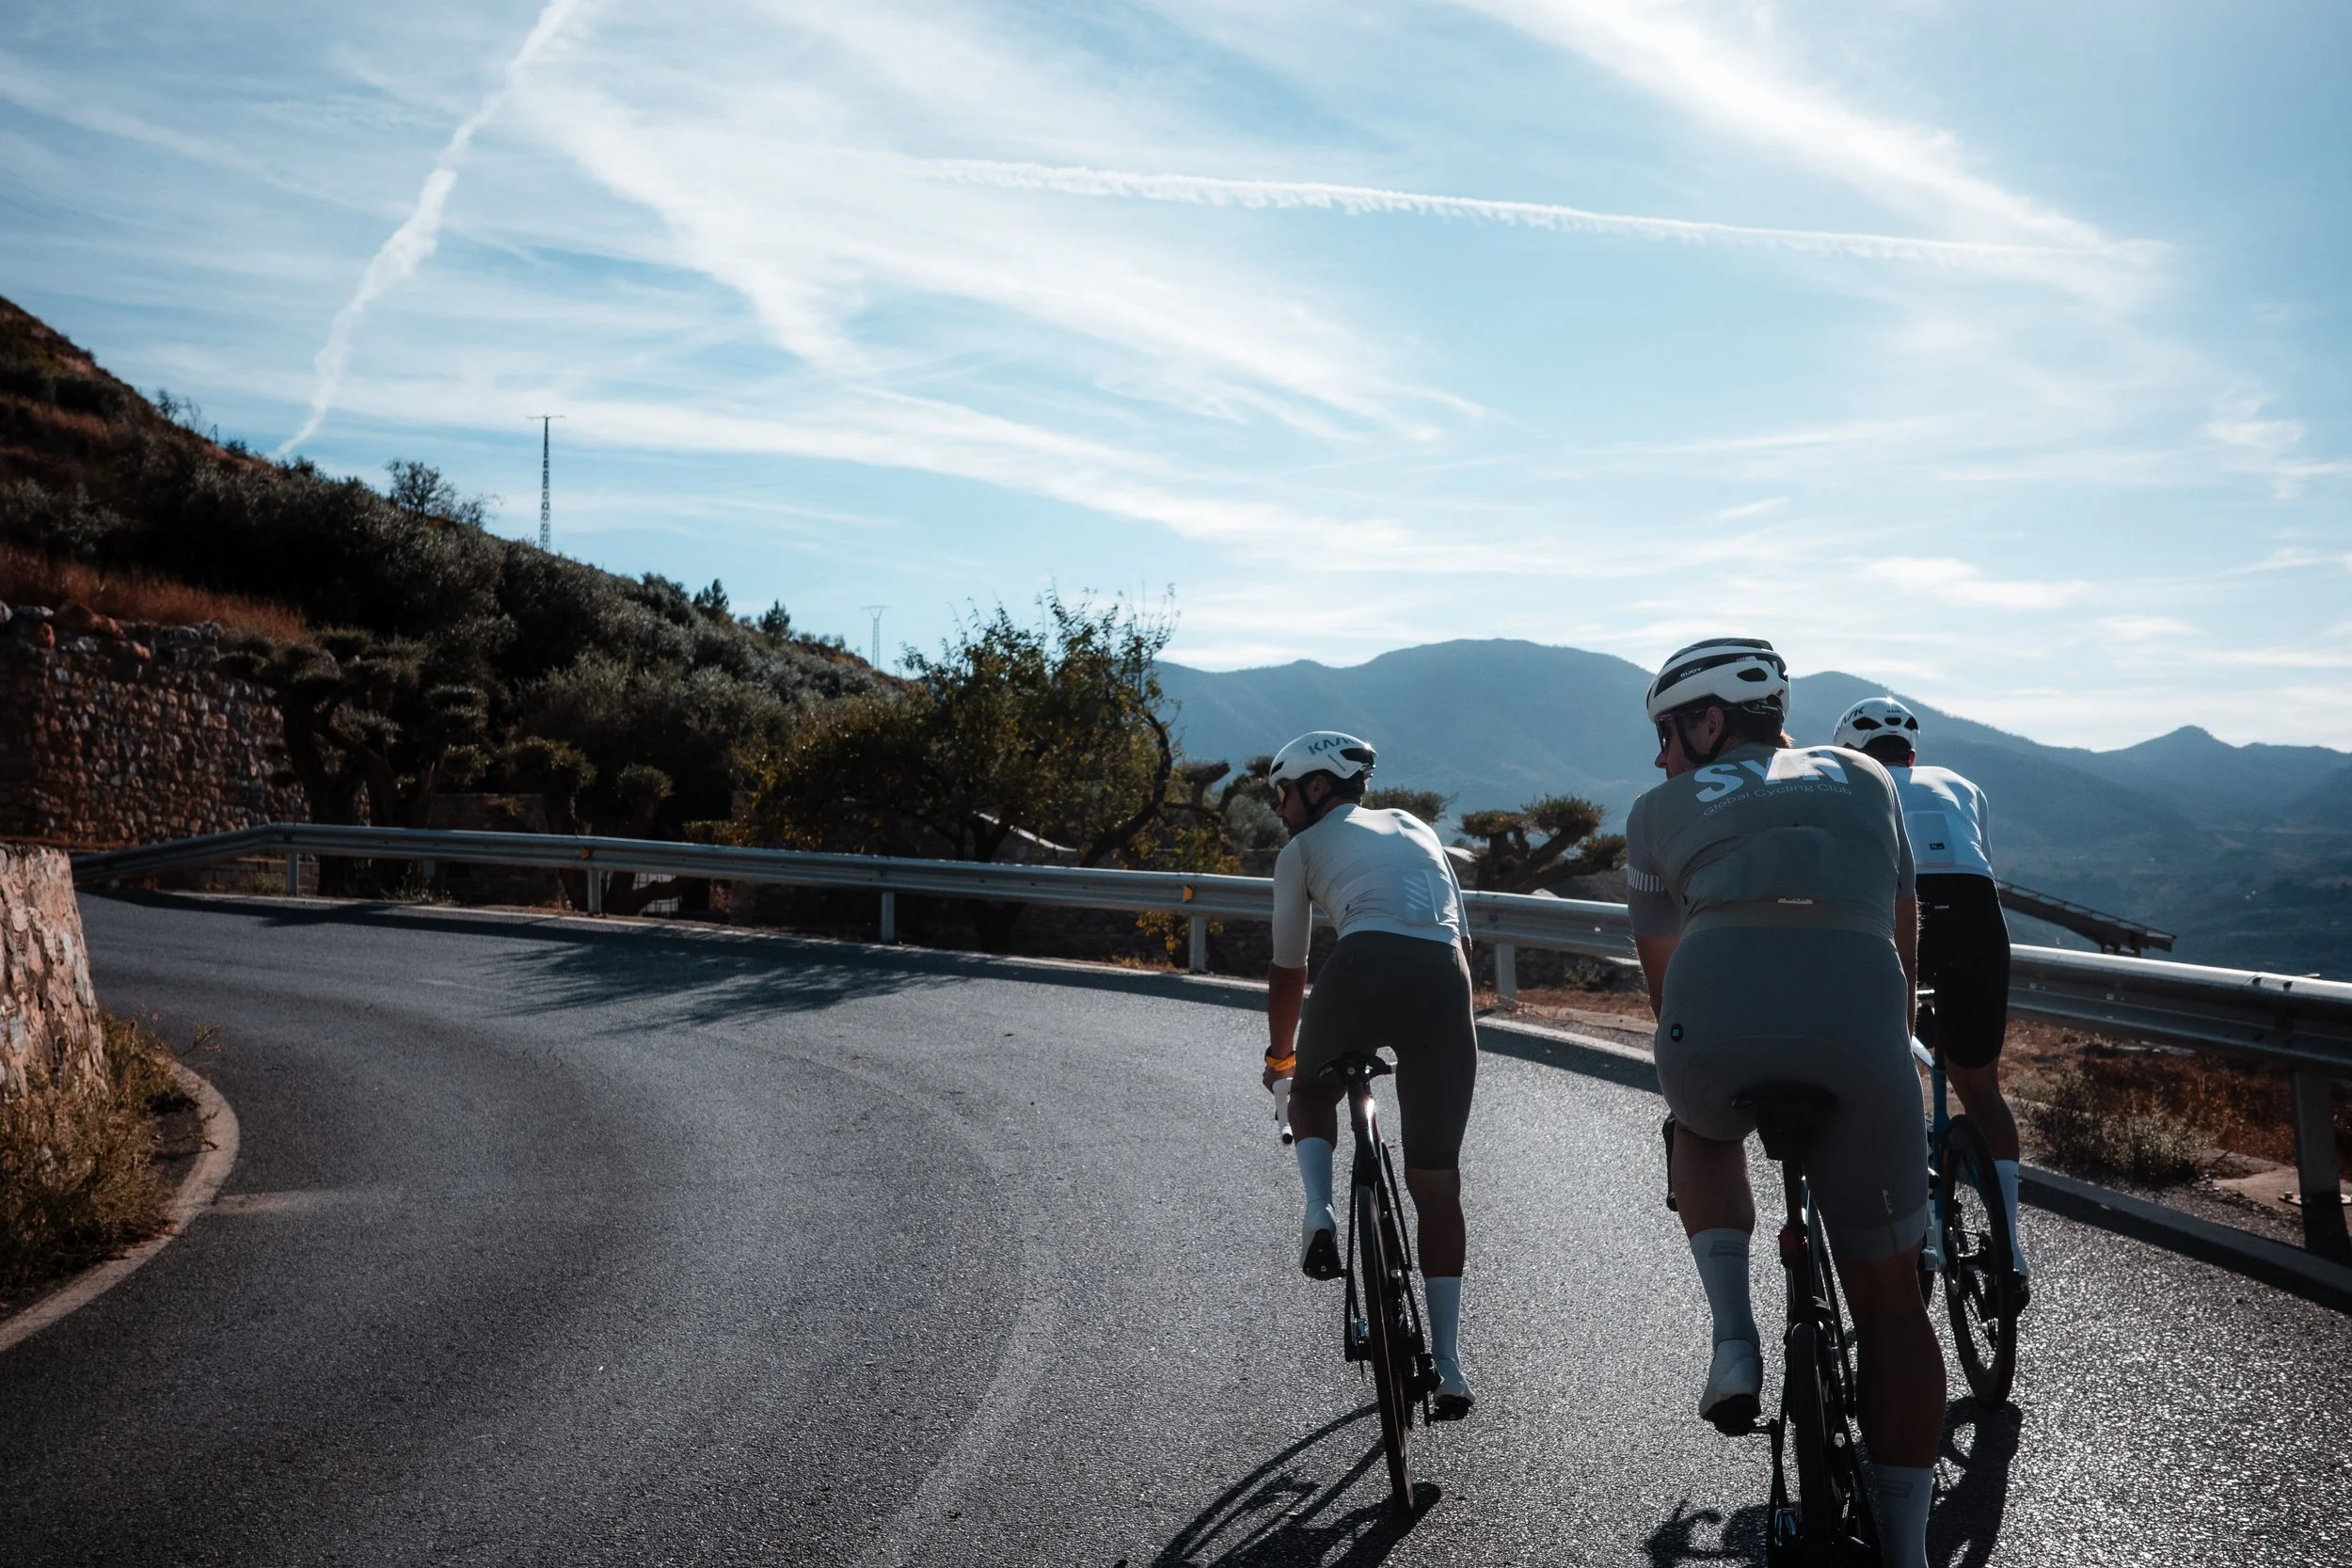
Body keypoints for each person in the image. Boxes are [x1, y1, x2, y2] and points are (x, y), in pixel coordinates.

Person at [1626, 639, 1942, 1568]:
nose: (1658, 756)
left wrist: (1708, 1063)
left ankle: (1733, 1337)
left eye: (1666, 732)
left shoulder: (1652, 812)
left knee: (1698, 1123)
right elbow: (1900, 930)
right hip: (1862, 1032)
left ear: (1709, 719)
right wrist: (1886, 1041)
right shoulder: (1867, 780)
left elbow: (1662, 984)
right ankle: (1909, 1549)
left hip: (1712, 1025)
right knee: (1890, 1305)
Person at [1263, 730, 1479, 1420]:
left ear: (1318, 787)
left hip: (1360, 966)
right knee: (1437, 1183)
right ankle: (1448, 1364)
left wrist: (1280, 1060)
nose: (1279, 808)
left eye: (1284, 792)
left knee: (1313, 1089)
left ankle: (1320, 1209)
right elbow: (1460, 939)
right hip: (1445, 984)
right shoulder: (1416, 824)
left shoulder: (1299, 851)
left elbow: (1289, 968)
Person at [1833, 696, 2026, 1300]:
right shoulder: (1964, 785)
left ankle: (1909, 1219)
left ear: (1851, 752)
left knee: (1885, 1073)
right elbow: (1981, 864)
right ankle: (2011, 1250)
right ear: (1911, 752)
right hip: (1977, 917)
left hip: (1900, 909)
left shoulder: (1847, 782)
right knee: (1982, 1090)